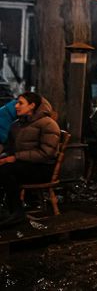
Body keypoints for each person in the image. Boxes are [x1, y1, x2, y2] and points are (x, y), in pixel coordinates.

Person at [0, 93, 61, 227]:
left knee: (5, 171)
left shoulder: (48, 124)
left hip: (42, 168)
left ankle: (17, 212)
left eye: (21, 103)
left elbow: (46, 153)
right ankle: (7, 210)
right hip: (24, 165)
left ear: (32, 106)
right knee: (4, 168)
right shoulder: (17, 125)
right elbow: (9, 148)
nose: (16, 106)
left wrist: (15, 157)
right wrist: (4, 157)